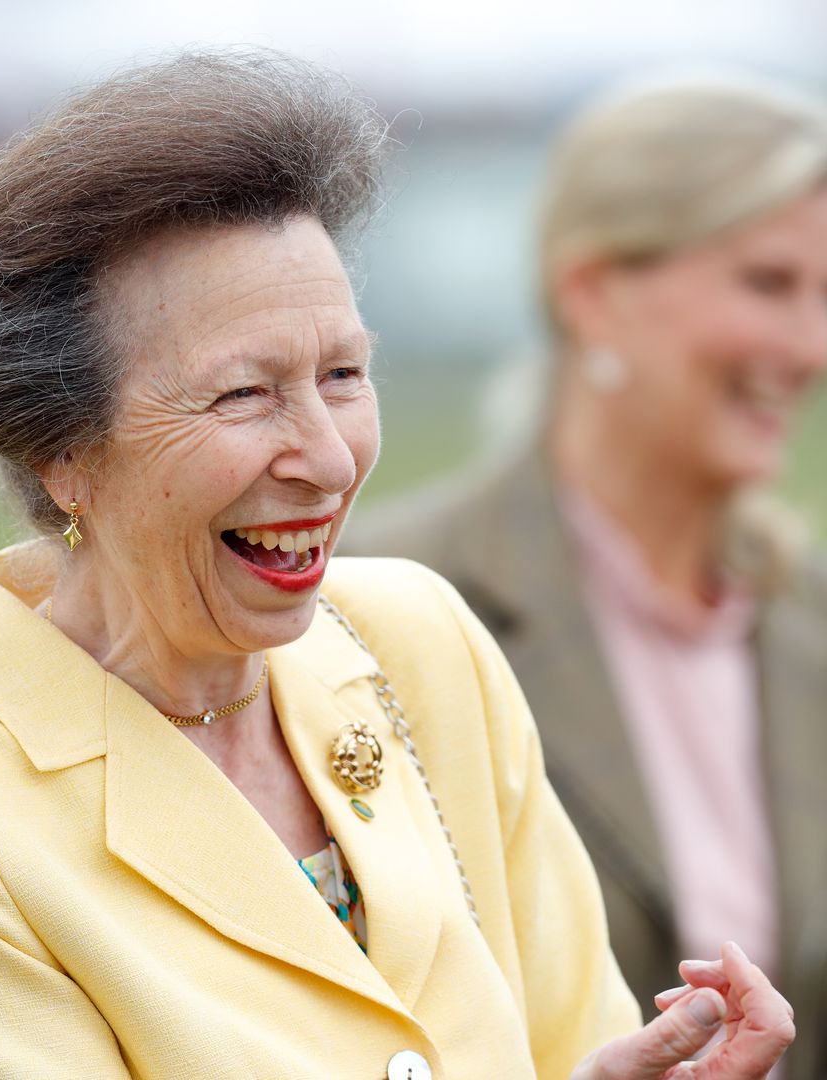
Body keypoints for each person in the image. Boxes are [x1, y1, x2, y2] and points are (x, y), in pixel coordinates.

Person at [0, 53, 794, 1080]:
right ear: (62, 451)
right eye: (244, 395)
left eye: (344, 374)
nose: (329, 456)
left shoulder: (420, 642)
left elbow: (573, 1034)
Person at [347, 71, 827, 1076]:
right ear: (594, 294)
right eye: (770, 285)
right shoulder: (375, 600)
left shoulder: (809, 617)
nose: (812, 345)